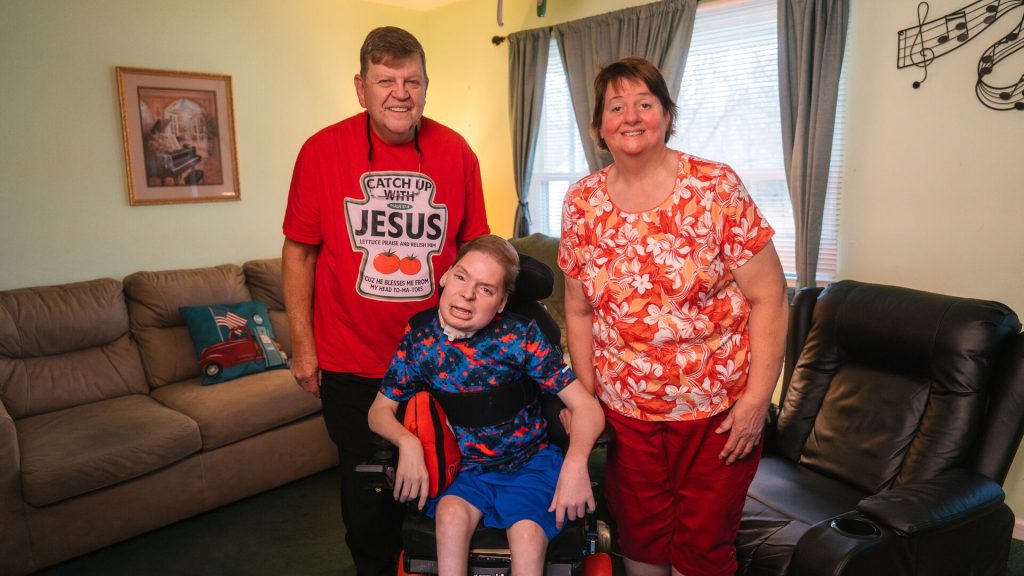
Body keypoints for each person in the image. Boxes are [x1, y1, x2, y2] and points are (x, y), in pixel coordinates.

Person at [558, 57, 788, 576]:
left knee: (701, 553)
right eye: (616, 107)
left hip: (716, 415)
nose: (631, 117)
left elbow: (770, 296)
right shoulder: (582, 202)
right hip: (627, 415)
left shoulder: (714, 187)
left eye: (645, 103)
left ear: (667, 114)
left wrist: (756, 401)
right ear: (599, 127)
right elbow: (578, 308)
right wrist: (585, 398)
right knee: (640, 545)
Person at [281, 26, 490, 576]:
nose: (401, 93)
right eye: (385, 81)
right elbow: (299, 254)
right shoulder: (321, 151)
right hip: (351, 362)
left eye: (412, 81)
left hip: (439, 358)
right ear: (360, 88)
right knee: (369, 503)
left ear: (426, 86)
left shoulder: (456, 151)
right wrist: (303, 346)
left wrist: (486, 342)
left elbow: (477, 252)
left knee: (445, 490)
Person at [367, 235, 605, 576]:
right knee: (449, 517)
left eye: (485, 289)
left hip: (529, 464)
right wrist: (407, 442)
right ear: (445, 276)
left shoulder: (520, 335)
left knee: (526, 535)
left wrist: (576, 463)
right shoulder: (420, 340)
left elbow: (587, 408)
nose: (467, 294)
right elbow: (379, 411)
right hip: (466, 469)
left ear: (502, 302)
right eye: (461, 277)